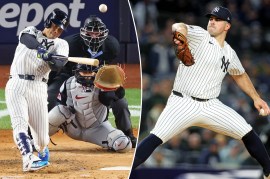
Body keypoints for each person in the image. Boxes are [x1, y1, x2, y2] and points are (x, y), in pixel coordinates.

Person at [132, 6, 270, 179]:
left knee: (248, 133)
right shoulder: (201, 36)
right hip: (182, 102)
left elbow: (240, 74)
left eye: (217, 19)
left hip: (211, 105)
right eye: (211, 18)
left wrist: (256, 98)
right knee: (155, 138)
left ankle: (268, 173)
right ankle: (123, 173)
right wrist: (180, 40)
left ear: (227, 26)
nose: (212, 21)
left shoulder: (229, 52)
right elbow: (178, 26)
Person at [47, 15, 137, 147]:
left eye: (98, 33)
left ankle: (128, 134)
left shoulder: (111, 46)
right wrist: (48, 83)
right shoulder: (69, 44)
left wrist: (112, 87)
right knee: (50, 95)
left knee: (120, 102)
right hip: (69, 74)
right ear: (83, 32)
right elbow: (56, 67)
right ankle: (36, 133)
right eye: (90, 32)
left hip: (97, 76)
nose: (94, 36)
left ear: (104, 33)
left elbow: (107, 68)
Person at [5, 9, 69, 171]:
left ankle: (40, 149)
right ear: (48, 22)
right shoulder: (31, 31)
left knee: (42, 139)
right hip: (17, 84)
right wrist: (42, 51)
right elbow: (27, 40)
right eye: (55, 26)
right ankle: (27, 159)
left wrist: (52, 59)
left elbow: (59, 66)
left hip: (39, 88)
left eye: (60, 29)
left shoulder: (61, 44)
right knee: (19, 123)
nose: (56, 31)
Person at [48, 64, 132, 152]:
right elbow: (59, 102)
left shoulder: (103, 85)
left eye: (90, 72)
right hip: (73, 127)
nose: (88, 75)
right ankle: (38, 139)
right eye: (84, 72)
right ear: (77, 72)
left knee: (123, 145)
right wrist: (59, 121)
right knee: (60, 110)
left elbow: (115, 97)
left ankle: (122, 136)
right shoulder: (68, 83)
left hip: (97, 129)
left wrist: (116, 89)